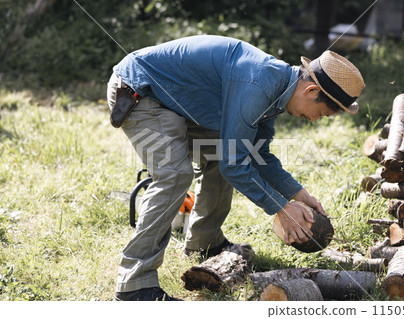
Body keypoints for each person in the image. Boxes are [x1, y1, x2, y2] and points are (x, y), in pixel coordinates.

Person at [107, 35, 365, 301]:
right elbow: (235, 166)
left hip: (174, 101)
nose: (313, 120)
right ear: (311, 91)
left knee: (225, 153)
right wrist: (281, 207)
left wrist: (298, 194)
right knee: (175, 175)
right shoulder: (259, 84)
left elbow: (257, 154)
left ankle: (204, 243)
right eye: (319, 114)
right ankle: (134, 285)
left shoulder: (277, 89)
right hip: (139, 90)